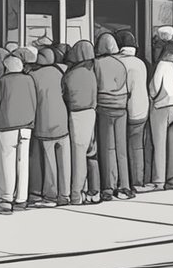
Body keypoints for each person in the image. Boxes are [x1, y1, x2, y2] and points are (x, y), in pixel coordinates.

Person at [0, 54, 37, 213]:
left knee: (6, 162)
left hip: (7, 125)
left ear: (6, 68)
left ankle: (6, 199)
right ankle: (21, 199)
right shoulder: (29, 80)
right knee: (23, 162)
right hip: (27, 125)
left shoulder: (2, 81)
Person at [93, 33, 132, 200]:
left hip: (104, 107)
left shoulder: (96, 64)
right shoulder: (121, 64)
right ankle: (125, 186)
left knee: (107, 148)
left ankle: (108, 187)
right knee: (121, 148)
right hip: (121, 107)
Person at [29, 48, 69, 206]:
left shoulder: (33, 76)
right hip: (62, 119)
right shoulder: (61, 72)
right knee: (64, 159)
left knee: (49, 160)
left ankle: (51, 195)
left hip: (45, 121)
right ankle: (65, 194)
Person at [147, 39, 173, 192]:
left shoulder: (163, 64)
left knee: (159, 144)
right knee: (172, 141)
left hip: (162, 104)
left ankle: (158, 180)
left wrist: (152, 97)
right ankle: (172, 175)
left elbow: (155, 86)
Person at [62, 41, 97, 204]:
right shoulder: (91, 72)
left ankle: (76, 194)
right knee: (90, 152)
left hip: (77, 114)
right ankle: (90, 190)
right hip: (92, 112)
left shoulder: (71, 75)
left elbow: (66, 98)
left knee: (78, 155)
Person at [116, 31, 149, 189]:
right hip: (142, 109)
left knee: (120, 147)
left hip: (125, 110)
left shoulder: (118, 63)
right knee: (137, 146)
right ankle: (138, 180)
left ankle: (123, 182)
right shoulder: (140, 63)